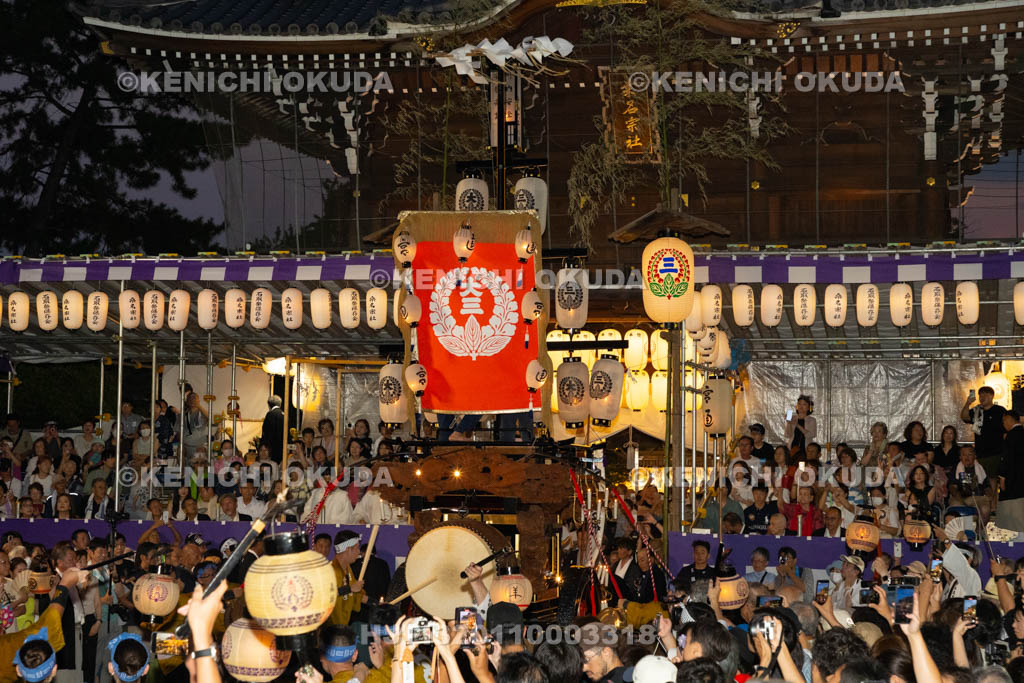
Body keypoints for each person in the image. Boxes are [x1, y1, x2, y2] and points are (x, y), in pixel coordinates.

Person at [961, 385, 1007, 476]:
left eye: (984, 395)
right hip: (979, 452)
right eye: (980, 395)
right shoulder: (977, 410)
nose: (981, 398)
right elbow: (964, 417)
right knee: (979, 478)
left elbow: (1006, 430)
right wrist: (967, 403)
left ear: (991, 396)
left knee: (992, 478)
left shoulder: (1000, 410)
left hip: (995, 452)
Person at [328, 530, 366, 625]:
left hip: (343, 626)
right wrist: (350, 589)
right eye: (357, 548)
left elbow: (359, 596)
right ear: (348, 549)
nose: (359, 552)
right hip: (329, 629)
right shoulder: (330, 571)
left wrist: (377, 604)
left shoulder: (348, 570)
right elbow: (326, 595)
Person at [998, 410, 1024, 533]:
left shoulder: (1011, 436)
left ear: (1009, 419)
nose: (1003, 424)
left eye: (1004, 421)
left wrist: (1002, 477)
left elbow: (1006, 458)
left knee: (1013, 512)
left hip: (1013, 479)